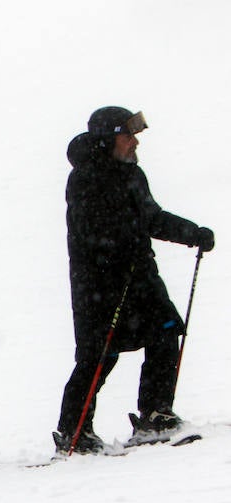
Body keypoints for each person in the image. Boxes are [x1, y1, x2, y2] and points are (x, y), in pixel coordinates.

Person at [55, 106, 214, 454]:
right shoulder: (85, 177)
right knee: (98, 355)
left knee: (166, 329)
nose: (134, 143)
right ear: (108, 139)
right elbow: (88, 231)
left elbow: (151, 217)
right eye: (127, 136)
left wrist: (192, 233)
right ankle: (74, 432)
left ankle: (156, 415)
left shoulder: (132, 174)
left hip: (139, 274)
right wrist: (119, 244)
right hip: (100, 283)